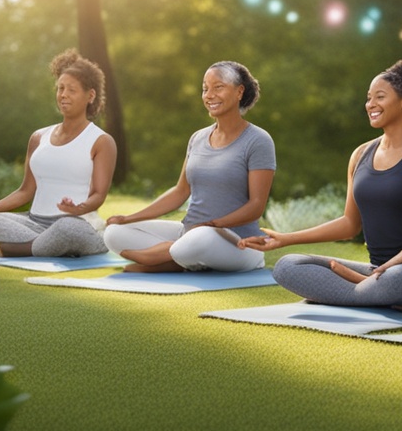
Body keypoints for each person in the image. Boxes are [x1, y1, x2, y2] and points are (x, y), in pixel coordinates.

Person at [238, 54, 402, 313]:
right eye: (368, 97)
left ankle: (359, 290)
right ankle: (368, 290)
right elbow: (349, 224)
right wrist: (286, 239)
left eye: (380, 96)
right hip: (376, 271)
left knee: (399, 279)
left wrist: (388, 268)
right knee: (288, 266)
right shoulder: (360, 155)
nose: (370, 104)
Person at [103, 61, 275, 273]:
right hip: (190, 232)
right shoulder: (198, 138)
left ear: (239, 91)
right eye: (205, 89)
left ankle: (166, 256)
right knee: (114, 233)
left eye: (218, 87)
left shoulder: (258, 140)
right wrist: (128, 218)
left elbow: (256, 205)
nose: (209, 95)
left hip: (240, 243)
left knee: (200, 239)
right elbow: (180, 191)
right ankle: (176, 257)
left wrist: (213, 224)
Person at [0, 49, 116, 257]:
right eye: (60, 88)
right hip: (33, 223)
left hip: (78, 224)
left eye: (71, 90)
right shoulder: (38, 137)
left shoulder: (101, 141)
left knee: (67, 229)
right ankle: (47, 247)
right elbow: (25, 191)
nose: (63, 95)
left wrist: (78, 208)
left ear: (90, 95)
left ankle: (22, 249)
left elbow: (98, 194)